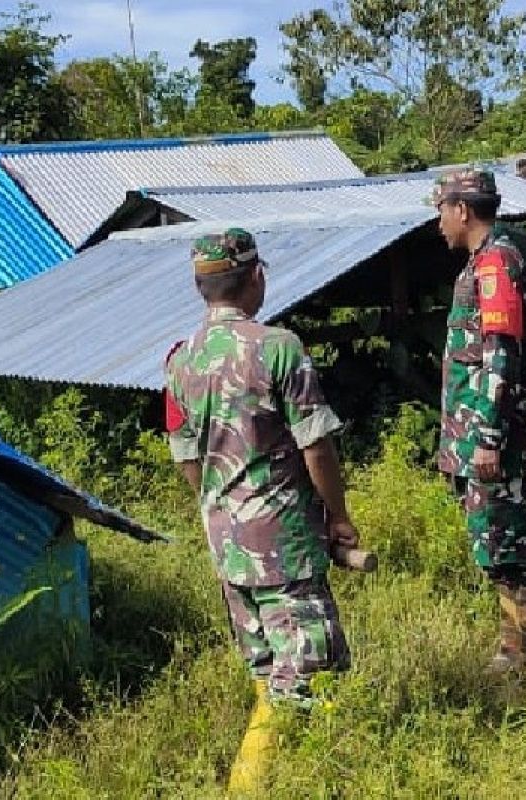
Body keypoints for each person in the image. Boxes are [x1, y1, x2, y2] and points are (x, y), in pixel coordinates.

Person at [164, 229, 358, 787]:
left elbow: (186, 459)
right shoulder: (278, 347)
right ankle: (260, 785)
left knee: (266, 667)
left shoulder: (180, 362)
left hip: (226, 545)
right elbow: (316, 444)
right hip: (283, 543)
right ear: (257, 277)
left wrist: (222, 507)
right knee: (307, 676)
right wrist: (338, 517)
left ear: (202, 286)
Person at [431, 168, 526, 675]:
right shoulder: (483, 264)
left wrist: (487, 439)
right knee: (498, 550)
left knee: (514, 553)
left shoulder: (496, 265)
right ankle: (516, 650)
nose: (439, 222)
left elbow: (501, 355)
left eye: (441, 209)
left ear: (462, 210)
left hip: (496, 445)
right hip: (481, 443)